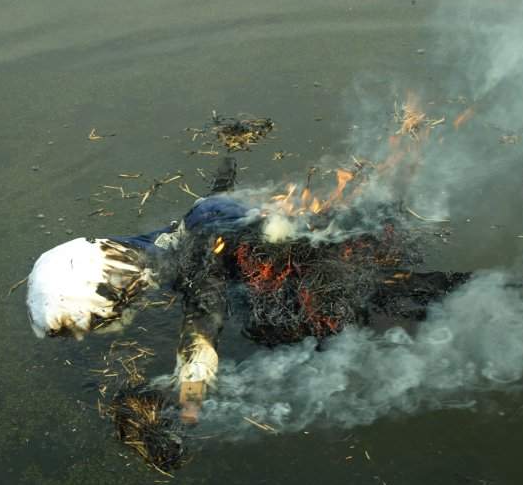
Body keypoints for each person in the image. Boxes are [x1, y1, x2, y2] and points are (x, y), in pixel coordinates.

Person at [26, 158, 468, 423]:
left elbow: (204, 310)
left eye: (91, 323)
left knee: (353, 316)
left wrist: (193, 386)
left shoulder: (192, 251)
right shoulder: (138, 254)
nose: (86, 336)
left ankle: (473, 296)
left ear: (115, 291)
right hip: (242, 239)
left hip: (306, 267)